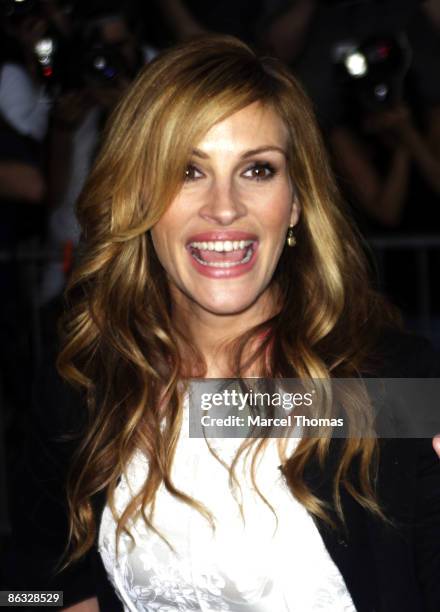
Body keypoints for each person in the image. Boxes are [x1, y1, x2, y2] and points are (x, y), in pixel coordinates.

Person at [55, 36, 440, 612]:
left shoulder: (385, 388)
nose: (225, 206)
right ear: (140, 195)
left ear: (295, 204)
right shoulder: (88, 380)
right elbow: (30, 588)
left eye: (258, 169)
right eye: (188, 170)